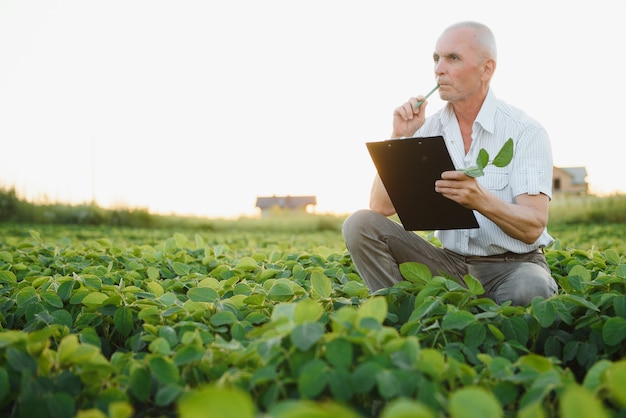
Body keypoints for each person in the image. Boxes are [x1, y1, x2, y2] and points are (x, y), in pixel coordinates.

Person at [342, 21, 558, 306]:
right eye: (436, 58)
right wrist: (400, 137)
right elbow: (381, 207)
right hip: (449, 265)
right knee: (359, 223)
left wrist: (481, 200)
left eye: (452, 58)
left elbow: (532, 226)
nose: (438, 69)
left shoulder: (524, 131)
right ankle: (402, 320)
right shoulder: (428, 129)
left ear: (486, 69)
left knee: (529, 287)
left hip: (514, 266)